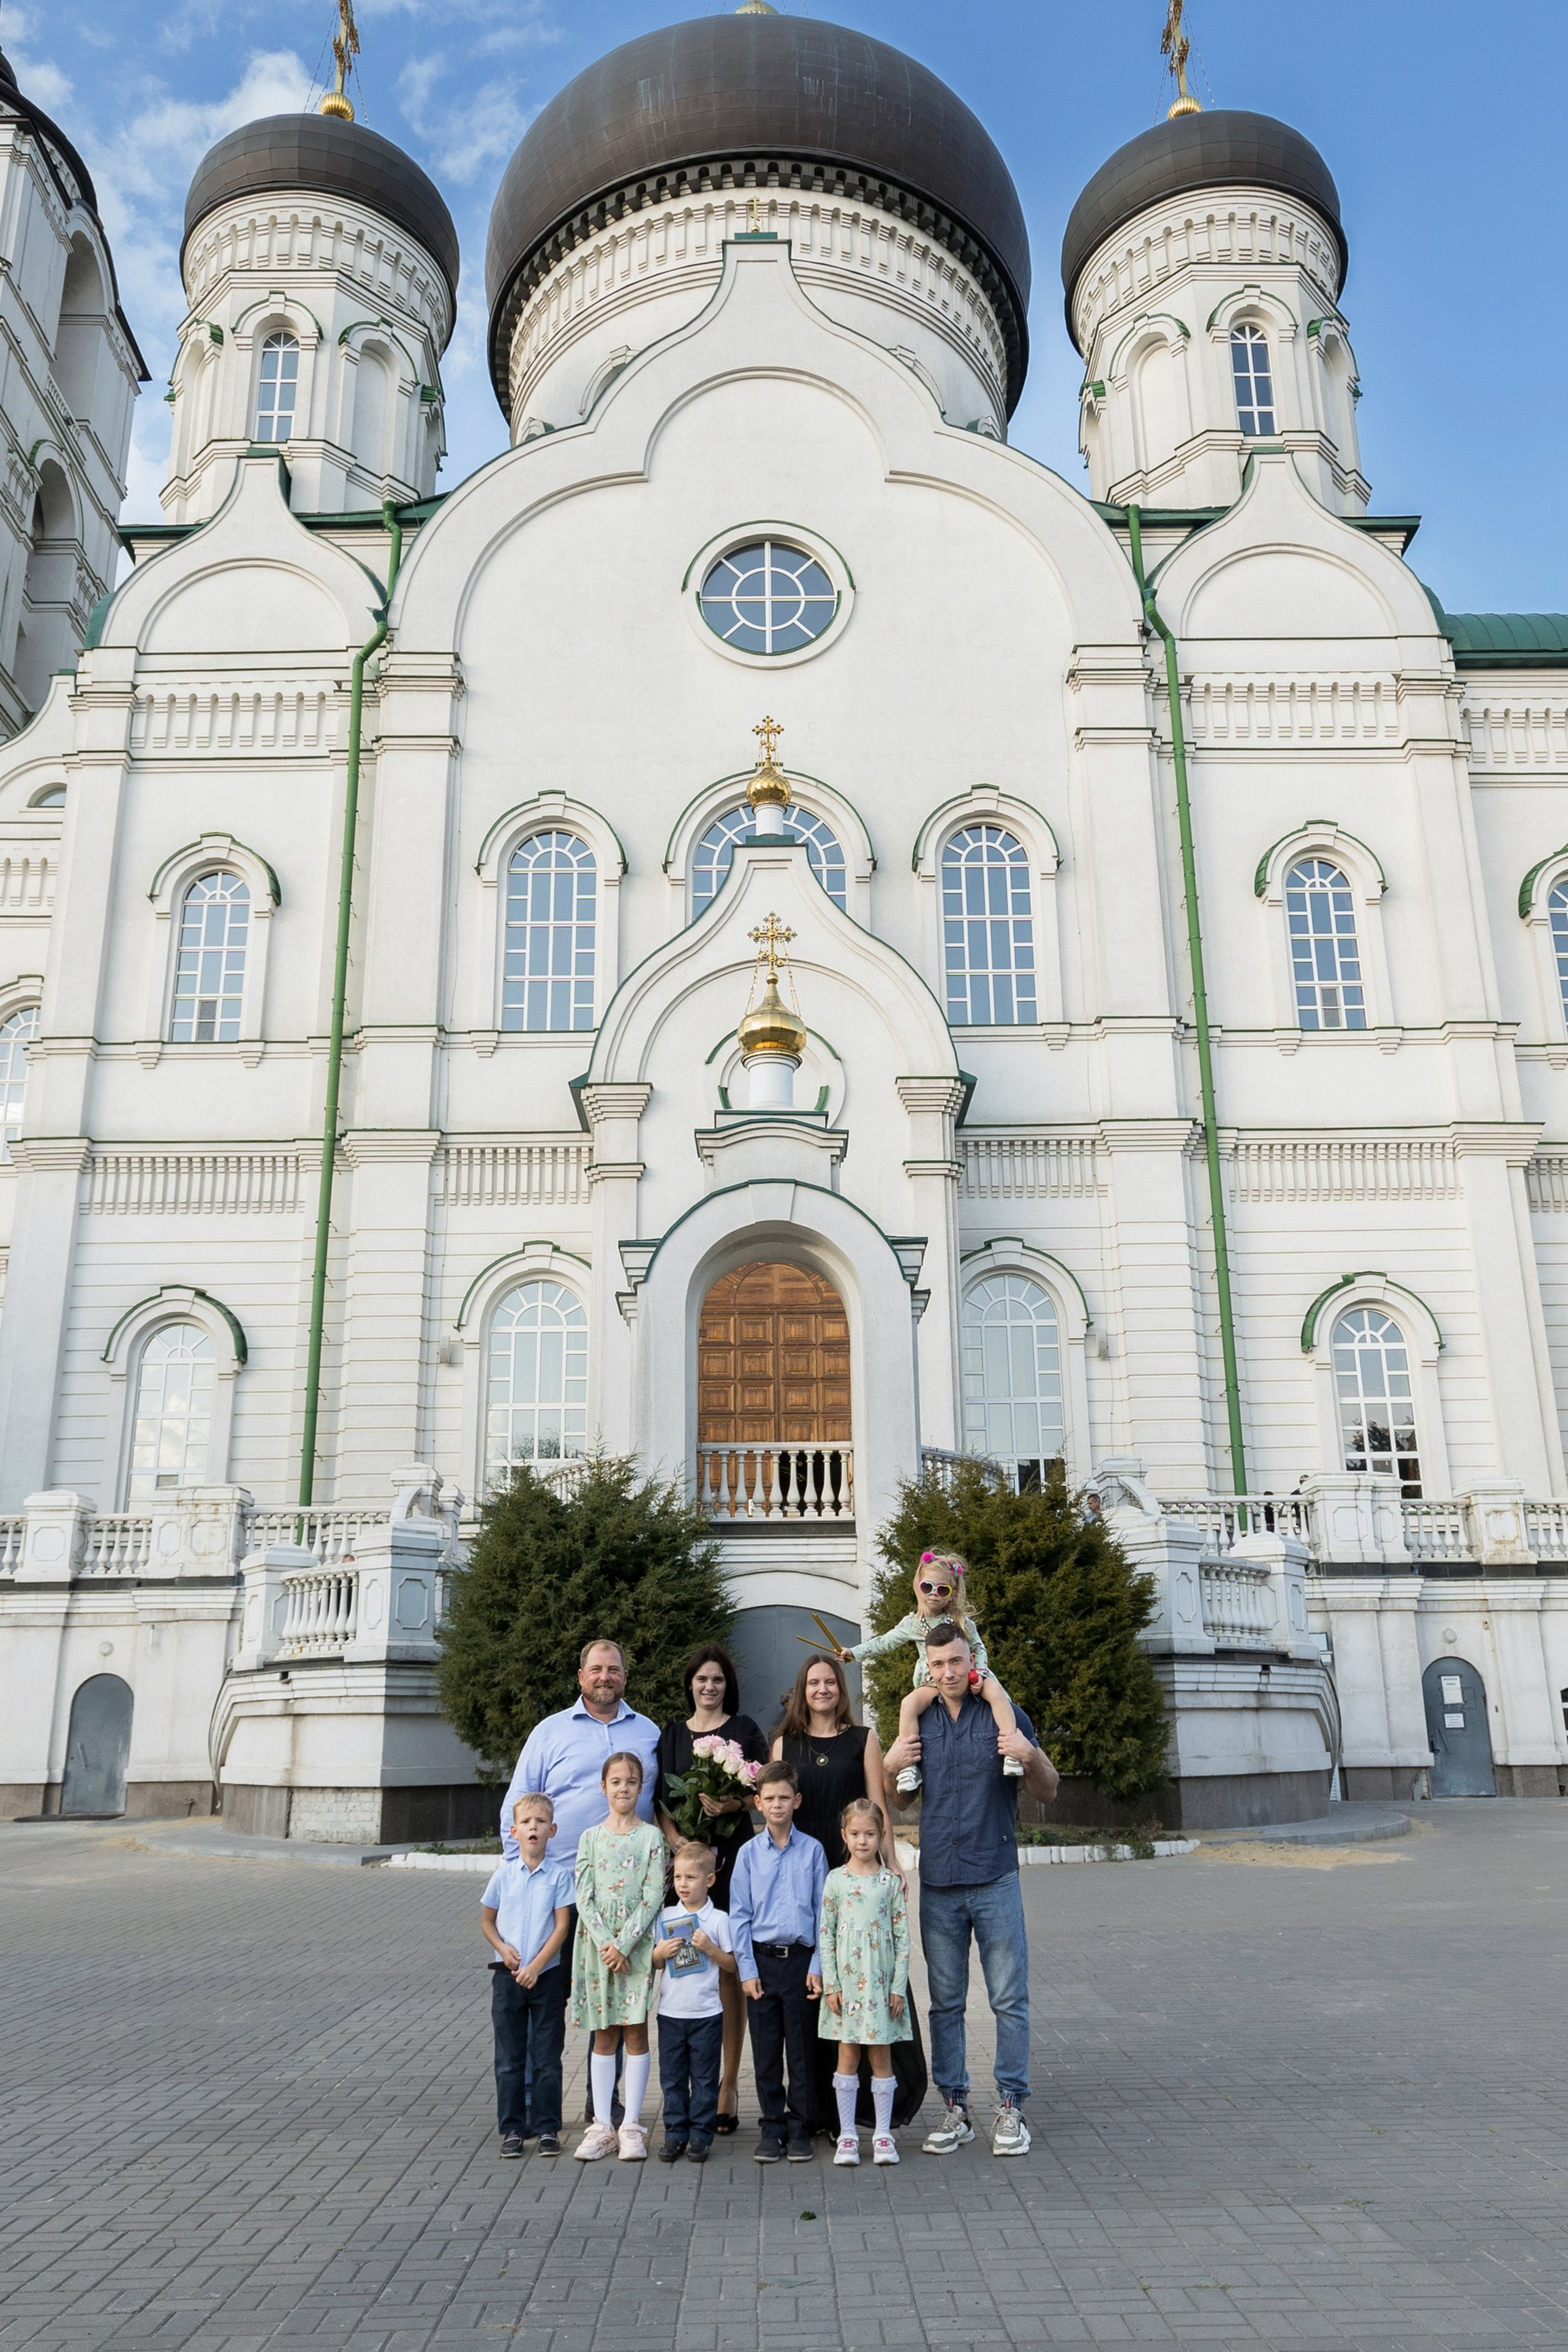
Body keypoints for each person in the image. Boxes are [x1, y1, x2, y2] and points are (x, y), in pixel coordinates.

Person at [883, 1619, 1058, 2160]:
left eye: (955, 1661)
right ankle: (955, 2108)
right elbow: (901, 1802)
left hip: (995, 1877)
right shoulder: (923, 1720)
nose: (948, 1673)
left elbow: (1048, 1790)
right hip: (939, 1882)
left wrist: (1028, 1755)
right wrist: (892, 1767)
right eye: (937, 1665)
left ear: (971, 1659)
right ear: (928, 1668)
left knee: (1009, 1998)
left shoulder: (1003, 1712)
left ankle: (1010, 2106)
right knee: (946, 2004)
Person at [655, 1642, 766, 2135]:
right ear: (690, 1684)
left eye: (717, 1679)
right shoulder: (673, 1735)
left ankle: (727, 2083)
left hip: (732, 1862)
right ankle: (688, 2087)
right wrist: (678, 1841)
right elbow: (660, 1799)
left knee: (728, 1967)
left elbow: (760, 1791)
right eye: (701, 1679)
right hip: (685, 1873)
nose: (709, 1686)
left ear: (728, 1685)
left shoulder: (743, 1731)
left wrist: (734, 1807)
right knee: (686, 1965)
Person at [845, 1550, 1020, 1793]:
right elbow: (884, 1642)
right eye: (928, 1587)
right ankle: (909, 1768)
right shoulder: (913, 1623)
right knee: (908, 1705)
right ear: (918, 1586)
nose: (934, 1595)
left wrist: (979, 1671)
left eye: (942, 1590)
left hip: (968, 1675)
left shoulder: (962, 1622)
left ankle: (1012, 1749)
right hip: (931, 1681)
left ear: (953, 1592)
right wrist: (854, 1653)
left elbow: (979, 1648)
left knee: (996, 1692)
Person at [570, 1752, 666, 2162]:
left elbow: (652, 1896)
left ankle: (631, 2125)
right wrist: (605, 1944)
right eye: (616, 1781)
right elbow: (583, 1894)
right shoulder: (590, 1838)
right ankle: (603, 2125)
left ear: (640, 1787)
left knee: (635, 2031)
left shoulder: (651, 1839)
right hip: (596, 1949)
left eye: (631, 1781)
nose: (623, 1788)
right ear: (603, 1787)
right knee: (605, 2033)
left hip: (636, 1948)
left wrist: (624, 1945)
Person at [729, 1759, 826, 2165]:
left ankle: (800, 2125)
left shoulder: (814, 1851)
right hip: (763, 1965)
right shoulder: (749, 1855)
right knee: (766, 2050)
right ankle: (772, 2126)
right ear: (758, 1803)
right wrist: (747, 1971)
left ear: (797, 1800)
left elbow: (825, 1914)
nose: (778, 1804)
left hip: (801, 1963)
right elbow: (739, 1916)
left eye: (785, 1797)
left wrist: (818, 1966)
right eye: (769, 1798)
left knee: (801, 2051)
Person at [499, 1638, 660, 1869]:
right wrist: (519, 1869)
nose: (605, 1677)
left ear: (625, 1677)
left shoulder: (649, 1732)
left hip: (633, 1881)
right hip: (563, 1883)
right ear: (581, 1677)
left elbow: (663, 1803)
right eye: (596, 1669)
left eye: (613, 1670)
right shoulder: (548, 1733)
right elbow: (517, 1804)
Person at [480, 1793, 574, 2158]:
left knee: (547, 2056)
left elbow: (562, 1926)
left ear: (552, 1830)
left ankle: (548, 2127)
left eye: (540, 1822)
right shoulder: (503, 1877)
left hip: (546, 1977)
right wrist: (504, 1950)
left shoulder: (560, 1877)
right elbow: (487, 1921)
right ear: (513, 1830)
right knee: (509, 2057)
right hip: (508, 1977)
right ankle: (513, 2128)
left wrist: (537, 1966)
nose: (533, 1827)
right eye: (526, 1822)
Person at [819, 1796, 910, 2168]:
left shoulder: (890, 1883)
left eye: (870, 1834)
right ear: (844, 1835)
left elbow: (903, 1937)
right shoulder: (835, 1881)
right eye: (855, 1834)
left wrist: (898, 1986)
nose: (862, 1841)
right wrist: (831, 1985)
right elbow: (826, 1935)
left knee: (882, 2056)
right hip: (847, 1989)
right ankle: (848, 2134)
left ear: (881, 1835)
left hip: (880, 1988)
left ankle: (884, 2134)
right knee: (847, 2056)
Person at [650, 1839, 737, 2163]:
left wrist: (710, 1949)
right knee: (672, 2078)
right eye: (678, 1878)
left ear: (710, 1880)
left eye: (691, 1878)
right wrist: (660, 1953)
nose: (683, 1885)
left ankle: (701, 2135)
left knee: (703, 2078)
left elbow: (731, 1965)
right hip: (670, 2013)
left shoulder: (718, 1920)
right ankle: (675, 2134)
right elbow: (656, 1963)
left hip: (707, 2014)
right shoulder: (667, 1915)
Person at [772, 1653, 898, 1869]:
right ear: (803, 1691)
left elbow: (878, 1809)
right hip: (800, 1860)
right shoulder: (784, 1744)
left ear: (840, 1689)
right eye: (814, 1683)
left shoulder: (864, 1739)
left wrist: (891, 1862)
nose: (823, 1689)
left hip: (853, 1858)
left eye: (830, 1682)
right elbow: (776, 1812)